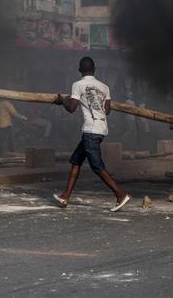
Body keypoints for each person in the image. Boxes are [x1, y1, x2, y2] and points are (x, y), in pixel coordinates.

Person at [52, 56, 130, 212]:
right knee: (76, 161)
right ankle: (66, 196)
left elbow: (72, 108)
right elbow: (107, 110)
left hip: (91, 130)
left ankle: (120, 194)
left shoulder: (78, 85)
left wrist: (62, 101)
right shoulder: (104, 86)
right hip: (101, 129)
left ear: (79, 70)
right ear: (94, 70)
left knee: (96, 166)